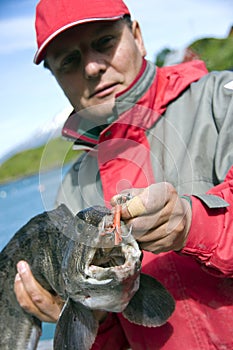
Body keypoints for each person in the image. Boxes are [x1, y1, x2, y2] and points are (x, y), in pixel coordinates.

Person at [14, 0, 233, 348]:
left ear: (137, 36)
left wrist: (192, 222)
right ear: (55, 77)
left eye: (103, 42)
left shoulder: (222, 102)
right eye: (69, 61)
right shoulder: (69, 194)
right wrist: (82, 315)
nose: (91, 67)